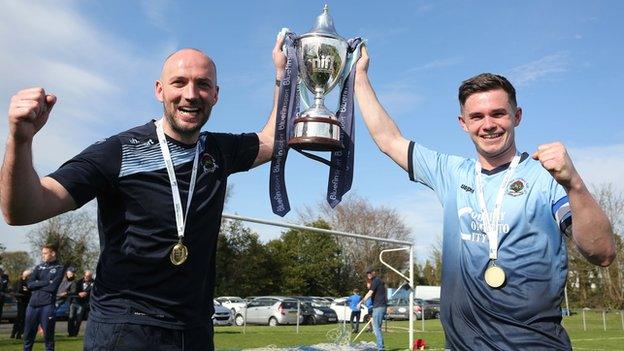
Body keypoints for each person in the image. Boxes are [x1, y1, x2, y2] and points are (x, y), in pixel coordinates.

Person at [1, 35, 286, 350]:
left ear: (215, 95)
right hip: (127, 327)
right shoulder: (118, 151)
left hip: (194, 330)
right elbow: (24, 210)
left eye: (202, 84)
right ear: (159, 90)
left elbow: (272, 140)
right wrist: (19, 140)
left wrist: (283, 75)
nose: (191, 95)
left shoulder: (218, 151)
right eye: (179, 83)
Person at [353, 47, 616, 350]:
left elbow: (603, 254)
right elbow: (389, 140)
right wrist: (360, 76)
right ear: (463, 123)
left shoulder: (547, 177)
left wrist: (575, 184)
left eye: (498, 113)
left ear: (517, 116)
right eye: (476, 116)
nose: (488, 124)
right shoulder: (451, 172)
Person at [23, 244, 65, 351]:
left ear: (53, 253)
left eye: (45, 253)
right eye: (42, 253)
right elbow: (30, 284)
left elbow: (53, 287)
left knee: (48, 337)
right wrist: (47, 282)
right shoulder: (38, 267)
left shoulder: (59, 268)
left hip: (47, 305)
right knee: (28, 336)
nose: (43, 255)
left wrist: (37, 284)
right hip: (32, 305)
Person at [358, 267, 387, 351]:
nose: (368, 274)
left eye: (370, 273)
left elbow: (370, 293)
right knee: (377, 328)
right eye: (367, 273)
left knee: (376, 328)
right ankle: (380, 346)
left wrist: (361, 302)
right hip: (381, 306)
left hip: (378, 307)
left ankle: (380, 347)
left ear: (374, 272)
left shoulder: (376, 281)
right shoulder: (378, 281)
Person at [68, 270, 94, 337]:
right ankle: (70, 333)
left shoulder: (94, 283)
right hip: (74, 302)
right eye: (86, 276)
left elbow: (94, 294)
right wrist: (79, 294)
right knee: (71, 317)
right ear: (84, 275)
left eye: (89, 276)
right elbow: (72, 292)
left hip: (83, 303)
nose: (87, 277)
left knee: (79, 319)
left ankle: (75, 334)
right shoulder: (77, 282)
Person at [11, 269, 32, 339]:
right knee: (21, 319)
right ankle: (17, 334)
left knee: (20, 318)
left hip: (24, 301)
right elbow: (20, 291)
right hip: (22, 302)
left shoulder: (25, 282)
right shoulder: (21, 282)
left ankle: (16, 334)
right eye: (29, 276)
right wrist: (27, 291)